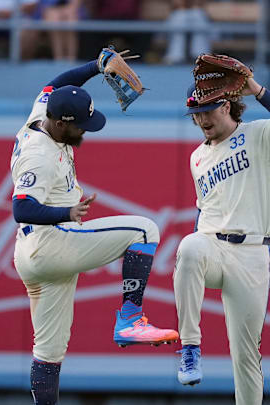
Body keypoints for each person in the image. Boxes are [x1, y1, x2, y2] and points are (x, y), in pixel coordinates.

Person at [10, 60, 179, 405]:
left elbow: (54, 82)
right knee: (144, 230)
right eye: (80, 125)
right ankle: (130, 319)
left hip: (34, 253)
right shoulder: (38, 155)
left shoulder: (44, 111)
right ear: (59, 124)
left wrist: (96, 64)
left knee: (49, 353)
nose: (85, 130)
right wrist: (67, 212)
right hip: (49, 241)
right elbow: (20, 208)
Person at [173, 71, 270, 405]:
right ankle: (189, 347)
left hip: (253, 254)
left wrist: (258, 91)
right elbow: (204, 209)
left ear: (226, 105)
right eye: (195, 113)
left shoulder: (258, 133)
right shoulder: (197, 157)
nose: (201, 119)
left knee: (246, 356)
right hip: (212, 244)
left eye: (207, 110)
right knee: (189, 247)